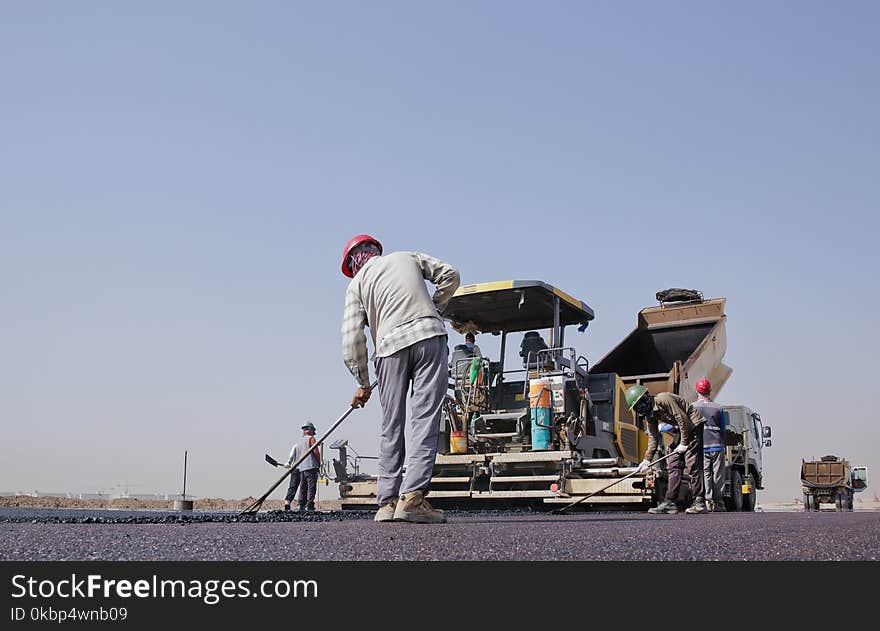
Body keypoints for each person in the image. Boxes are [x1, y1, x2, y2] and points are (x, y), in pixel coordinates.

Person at [340, 234, 460, 524]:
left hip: (388, 348)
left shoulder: (357, 285)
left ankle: (387, 503)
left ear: (353, 263)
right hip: (429, 337)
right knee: (424, 419)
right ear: (376, 251)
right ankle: (412, 500)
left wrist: (363, 382)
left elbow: (352, 340)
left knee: (391, 424)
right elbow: (450, 275)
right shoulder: (408, 256)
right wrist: (435, 308)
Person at [626, 385, 708, 515]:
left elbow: (682, 419)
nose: (639, 409)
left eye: (639, 404)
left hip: (693, 424)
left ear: (645, 397)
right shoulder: (649, 415)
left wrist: (684, 443)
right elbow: (653, 437)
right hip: (682, 429)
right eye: (636, 408)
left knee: (692, 462)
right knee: (674, 462)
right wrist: (646, 459)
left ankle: (699, 502)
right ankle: (670, 502)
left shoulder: (663, 399)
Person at [694, 378, 727, 512]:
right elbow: (723, 428)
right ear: (710, 391)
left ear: (697, 391)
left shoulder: (693, 406)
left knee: (705, 473)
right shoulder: (718, 408)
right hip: (717, 445)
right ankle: (718, 503)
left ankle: (708, 500)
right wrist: (722, 442)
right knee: (718, 474)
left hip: (702, 446)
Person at [283, 422, 321, 511]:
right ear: (311, 430)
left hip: (301, 469)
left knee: (303, 487)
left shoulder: (299, 441)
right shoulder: (311, 439)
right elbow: (316, 452)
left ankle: (301, 505)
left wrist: (289, 462)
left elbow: (294, 454)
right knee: (311, 487)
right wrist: (319, 463)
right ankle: (310, 505)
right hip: (311, 467)